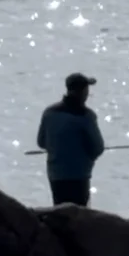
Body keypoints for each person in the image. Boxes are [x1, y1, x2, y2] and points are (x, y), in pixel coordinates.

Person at [36, 73, 105, 207]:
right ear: (83, 92)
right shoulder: (86, 116)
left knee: (59, 213)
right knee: (80, 215)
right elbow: (98, 148)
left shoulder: (49, 112)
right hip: (79, 176)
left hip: (55, 175)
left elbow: (41, 142)